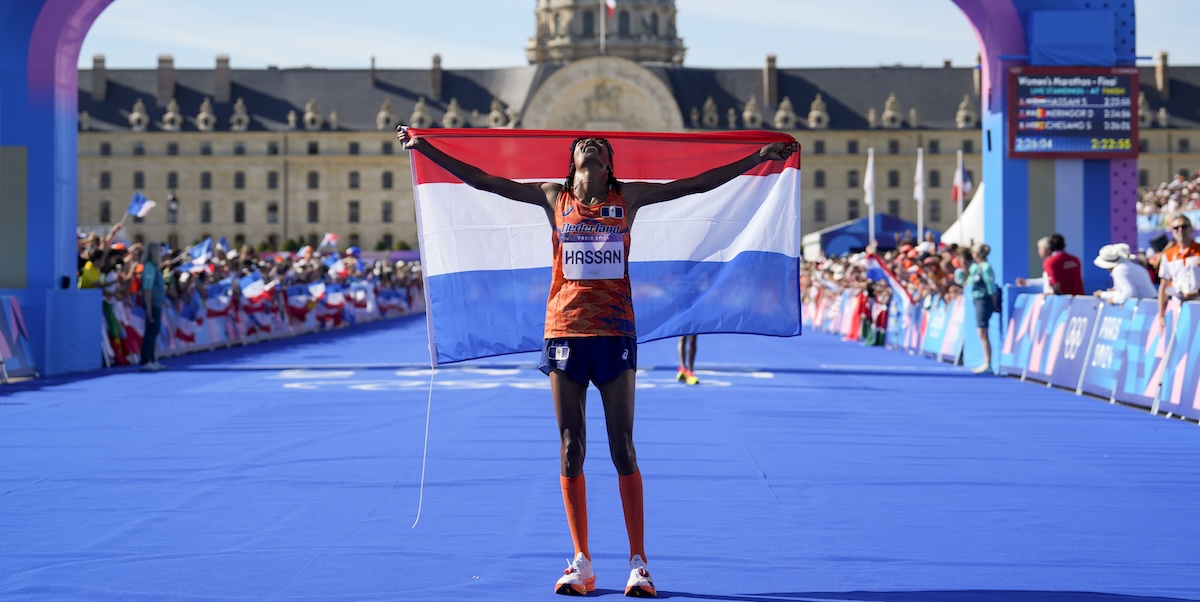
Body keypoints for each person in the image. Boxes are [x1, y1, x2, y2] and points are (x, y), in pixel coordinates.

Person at [399, 125, 796, 597]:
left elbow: (697, 183)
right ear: (573, 163)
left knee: (622, 446)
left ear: (609, 165)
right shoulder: (554, 197)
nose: (591, 145)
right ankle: (582, 561)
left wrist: (757, 158)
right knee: (571, 446)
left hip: (615, 332)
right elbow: (484, 180)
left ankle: (638, 562)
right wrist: (428, 148)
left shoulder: (627, 199)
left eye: (601, 147)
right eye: (583, 146)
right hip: (563, 331)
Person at [1157, 214, 1200, 323]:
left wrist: (1197, 292)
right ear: (1172, 231)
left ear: (1191, 229)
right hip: (1178, 306)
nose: (1180, 230)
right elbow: (1163, 286)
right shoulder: (1168, 255)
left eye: (1184, 226)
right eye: (1176, 228)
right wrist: (1161, 315)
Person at [965, 243, 999, 374]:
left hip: (984, 300)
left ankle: (988, 363)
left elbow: (990, 287)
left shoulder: (986, 267)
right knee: (981, 332)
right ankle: (986, 361)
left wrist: (994, 302)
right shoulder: (975, 267)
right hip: (976, 299)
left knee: (983, 331)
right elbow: (969, 281)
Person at [1092, 243, 1157, 305]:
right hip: (1150, 304)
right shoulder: (1132, 267)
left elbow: (1129, 292)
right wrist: (1103, 294)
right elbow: (1124, 292)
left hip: (1145, 307)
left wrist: (1114, 300)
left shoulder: (1119, 270)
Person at [139, 242, 168, 372]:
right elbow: (147, 289)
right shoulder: (149, 267)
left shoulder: (155, 267)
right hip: (152, 304)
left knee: (154, 331)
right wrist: (149, 308)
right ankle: (145, 361)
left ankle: (152, 359)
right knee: (150, 332)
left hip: (157, 303)